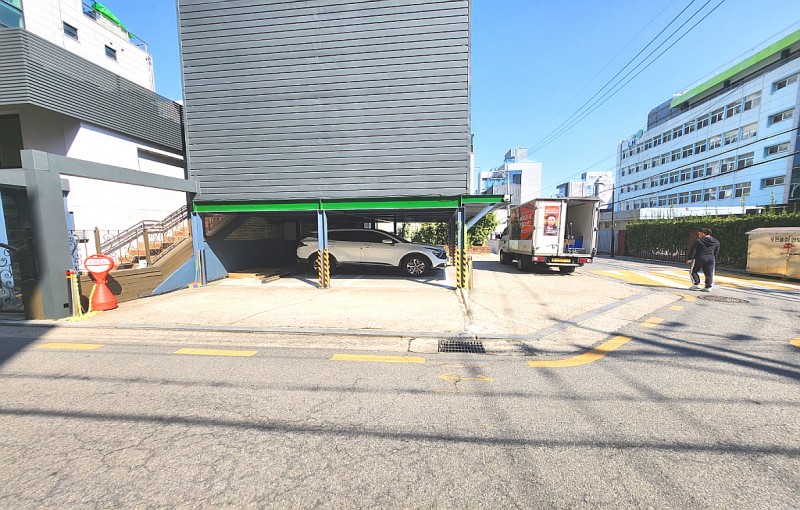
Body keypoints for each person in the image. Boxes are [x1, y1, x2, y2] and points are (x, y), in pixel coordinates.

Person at [686, 227, 720, 292]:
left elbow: (693, 250)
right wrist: (713, 258)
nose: (699, 235)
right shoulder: (716, 241)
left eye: (699, 234)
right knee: (709, 273)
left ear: (703, 234)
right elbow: (716, 251)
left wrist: (690, 258)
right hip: (711, 259)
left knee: (693, 271)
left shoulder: (699, 241)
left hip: (699, 258)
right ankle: (708, 287)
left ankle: (696, 284)